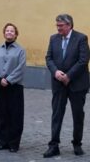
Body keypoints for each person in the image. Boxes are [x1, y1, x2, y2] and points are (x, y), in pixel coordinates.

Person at [43, 14, 89, 158]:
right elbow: (48, 58)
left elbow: (83, 60)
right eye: (57, 25)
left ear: (69, 25)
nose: (58, 28)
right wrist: (56, 72)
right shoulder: (53, 38)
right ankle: (54, 145)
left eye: (61, 26)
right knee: (56, 114)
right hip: (58, 83)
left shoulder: (81, 38)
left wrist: (68, 76)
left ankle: (77, 144)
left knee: (77, 115)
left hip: (77, 84)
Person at [0, 23, 26, 153]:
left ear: (16, 34)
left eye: (12, 31)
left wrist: (9, 80)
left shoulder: (20, 50)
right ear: (4, 33)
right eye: (7, 30)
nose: (9, 33)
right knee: (2, 114)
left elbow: (21, 68)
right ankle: (3, 141)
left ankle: (14, 143)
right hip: (0, 86)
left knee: (15, 115)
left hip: (14, 86)